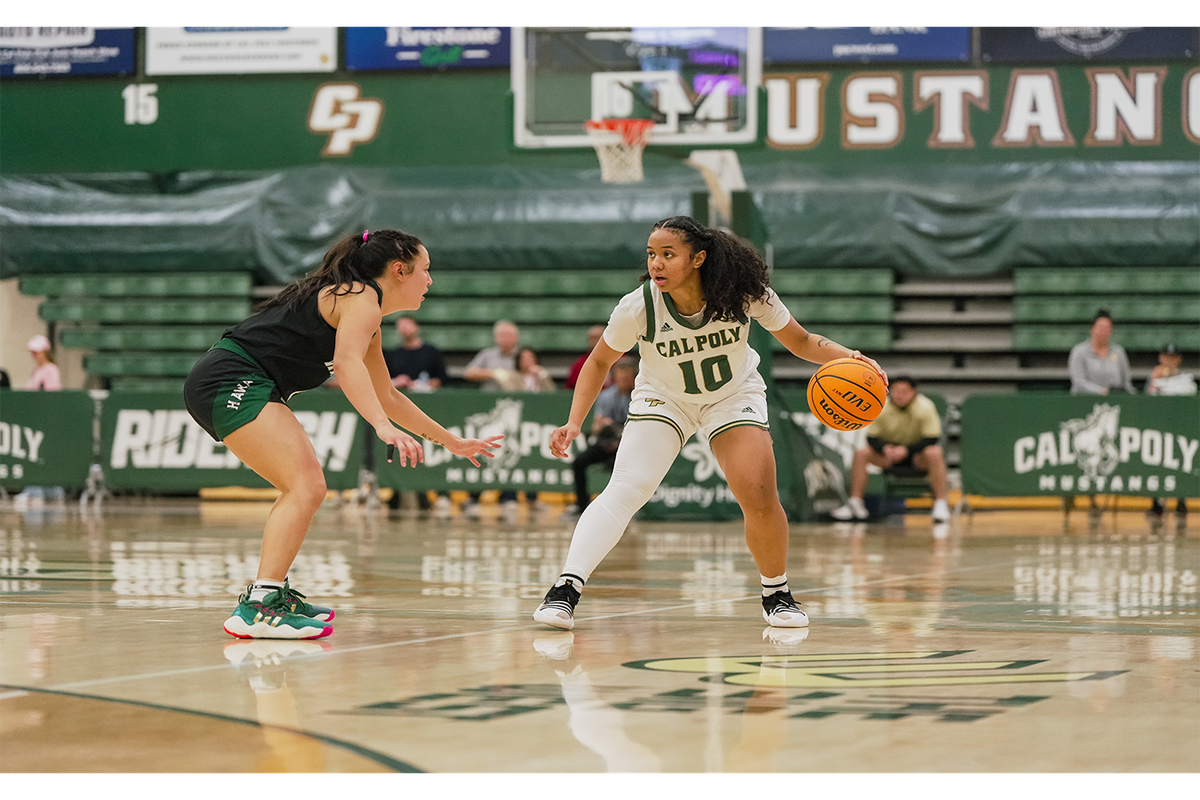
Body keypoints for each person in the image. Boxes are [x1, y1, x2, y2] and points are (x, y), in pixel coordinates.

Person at [532, 215, 887, 631]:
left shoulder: (744, 294)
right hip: (664, 398)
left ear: (698, 258)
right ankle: (565, 590)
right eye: (651, 255)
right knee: (627, 489)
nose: (656, 264)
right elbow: (598, 363)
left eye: (668, 254)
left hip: (731, 396)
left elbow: (801, 341)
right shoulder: (639, 305)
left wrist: (852, 357)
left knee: (758, 492)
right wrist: (575, 422)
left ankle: (777, 593)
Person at [184, 228, 502, 640]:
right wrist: (382, 428)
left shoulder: (365, 313)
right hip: (231, 379)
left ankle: (269, 594)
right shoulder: (360, 300)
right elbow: (347, 365)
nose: (430, 280)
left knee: (305, 486)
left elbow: (388, 394)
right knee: (306, 486)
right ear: (399, 270)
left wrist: (450, 440)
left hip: (244, 380)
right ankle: (260, 605)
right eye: (425, 270)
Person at [830, 376, 950, 523]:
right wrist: (885, 449)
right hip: (889, 456)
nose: (899, 395)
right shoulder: (881, 406)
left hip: (916, 456)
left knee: (935, 452)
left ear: (914, 392)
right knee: (862, 453)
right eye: (896, 391)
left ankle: (940, 504)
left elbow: (931, 438)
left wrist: (906, 450)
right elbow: (872, 437)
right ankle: (855, 503)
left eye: (904, 391)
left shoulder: (925, 406)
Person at [569, 359, 636, 516]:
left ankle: (623, 506)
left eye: (626, 379)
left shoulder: (639, 395)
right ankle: (581, 504)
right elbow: (596, 427)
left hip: (629, 444)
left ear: (634, 378)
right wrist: (602, 424)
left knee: (622, 468)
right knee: (578, 463)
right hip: (607, 442)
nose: (623, 382)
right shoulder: (606, 395)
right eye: (620, 378)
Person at [1147, 342, 1195, 519]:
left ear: (1179, 359)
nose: (1169, 361)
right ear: (1161, 358)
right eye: (1166, 357)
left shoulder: (1185, 380)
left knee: (1181, 463)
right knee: (1156, 463)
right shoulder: (1154, 376)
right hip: (1158, 429)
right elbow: (1147, 399)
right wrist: (1155, 382)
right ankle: (1156, 503)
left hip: (1180, 429)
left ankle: (1181, 500)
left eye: (1173, 357)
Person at [1069, 310, 1135, 395]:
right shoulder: (1079, 352)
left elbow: (1126, 382)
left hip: (1114, 403)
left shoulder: (1118, 352)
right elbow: (1079, 383)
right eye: (1101, 328)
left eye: (1107, 328)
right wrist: (1102, 391)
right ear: (1092, 329)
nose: (1103, 332)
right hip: (1084, 402)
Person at [384, 316, 447, 392]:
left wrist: (423, 384)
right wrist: (396, 381)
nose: (404, 328)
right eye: (400, 325)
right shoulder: (392, 354)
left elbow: (441, 378)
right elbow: (383, 379)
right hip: (400, 395)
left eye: (407, 324)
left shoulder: (431, 352)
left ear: (417, 327)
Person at [464, 320, 520, 390]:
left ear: (516, 337)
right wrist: (493, 373)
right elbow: (469, 373)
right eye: (502, 335)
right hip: (489, 397)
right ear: (496, 337)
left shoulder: (523, 355)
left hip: (516, 397)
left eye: (508, 335)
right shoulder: (487, 354)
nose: (505, 339)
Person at [566, 325, 612, 390]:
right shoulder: (580, 364)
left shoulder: (620, 360)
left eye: (599, 338)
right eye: (592, 338)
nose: (596, 341)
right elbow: (571, 387)